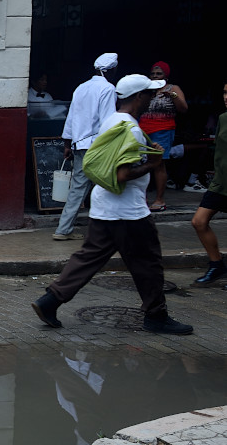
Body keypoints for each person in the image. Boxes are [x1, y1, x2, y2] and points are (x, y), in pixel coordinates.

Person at [32, 74, 191, 336]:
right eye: (149, 94)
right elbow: (122, 175)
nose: (152, 98)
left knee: (87, 259)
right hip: (128, 211)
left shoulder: (113, 121)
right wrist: (153, 162)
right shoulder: (130, 129)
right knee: (148, 263)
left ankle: (49, 301)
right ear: (138, 97)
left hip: (105, 207)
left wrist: (145, 150)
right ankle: (156, 316)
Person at [54, 53, 119, 242]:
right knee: (105, 187)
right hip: (97, 145)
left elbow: (71, 118)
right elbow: (108, 121)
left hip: (79, 144)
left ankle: (63, 229)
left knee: (77, 188)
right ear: (112, 70)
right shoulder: (108, 88)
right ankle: (104, 231)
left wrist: (67, 143)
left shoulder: (81, 87)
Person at [190, 81, 227, 287]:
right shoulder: (222, 118)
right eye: (224, 93)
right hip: (221, 183)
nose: (226, 97)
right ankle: (216, 264)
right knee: (199, 221)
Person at [141, 61, 188, 212]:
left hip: (163, 130)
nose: (155, 76)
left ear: (165, 75)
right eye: (153, 74)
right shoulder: (147, 88)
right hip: (143, 130)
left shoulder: (172, 88)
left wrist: (172, 96)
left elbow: (183, 108)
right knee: (141, 163)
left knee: (158, 164)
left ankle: (160, 200)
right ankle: (142, 199)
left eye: (159, 74)